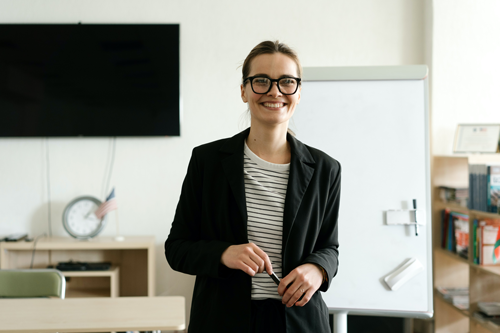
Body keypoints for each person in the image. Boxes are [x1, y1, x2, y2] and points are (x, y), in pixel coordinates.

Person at [165, 40, 341, 333]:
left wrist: (318, 270)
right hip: (223, 321)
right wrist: (224, 254)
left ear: (298, 91)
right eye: (261, 81)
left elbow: (329, 248)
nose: (275, 91)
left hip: (299, 322)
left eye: (287, 82)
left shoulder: (325, 168)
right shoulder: (207, 161)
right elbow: (177, 248)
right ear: (244, 90)